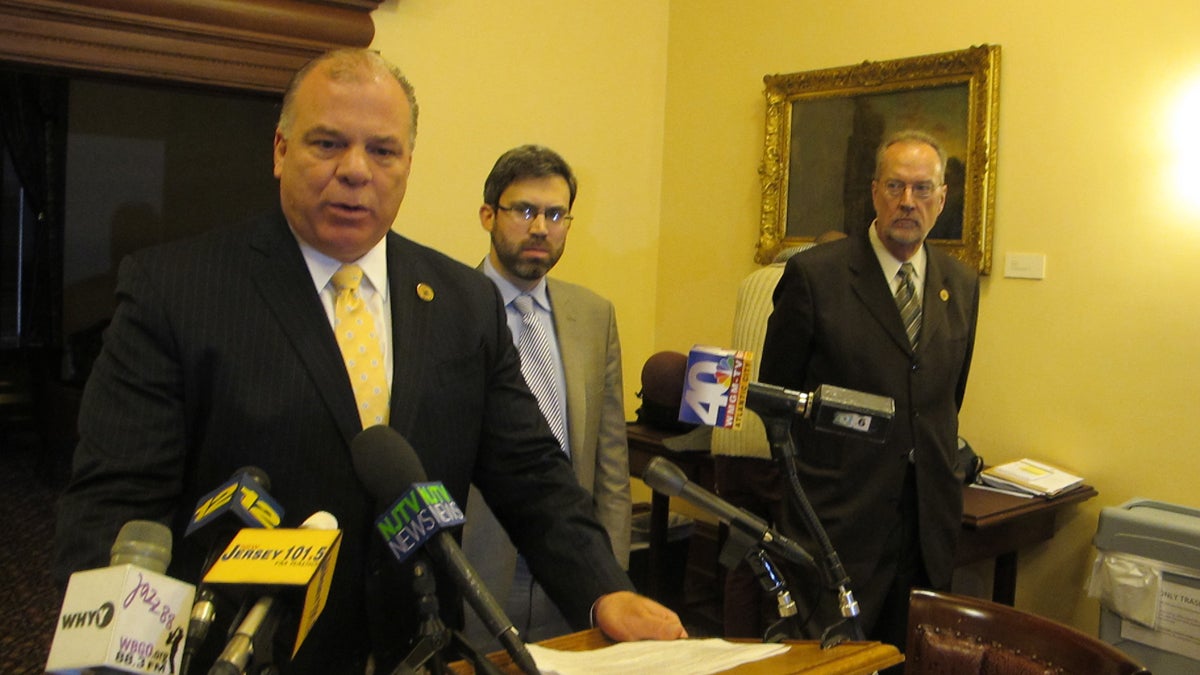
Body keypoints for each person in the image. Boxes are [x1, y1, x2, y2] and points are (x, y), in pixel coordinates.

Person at [52, 49, 683, 675]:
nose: (356, 171)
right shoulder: (176, 289)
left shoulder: (464, 303)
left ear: (409, 163)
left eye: (383, 151)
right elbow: (117, 505)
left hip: (421, 649)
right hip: (244, 656)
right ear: (279, 151)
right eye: (327, 144)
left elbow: (532, 474)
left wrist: (606, 588)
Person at [759, 130, 979, 654]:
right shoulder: (816, 275)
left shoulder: (961, 283)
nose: (909, 202)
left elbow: (946, 399)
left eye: (923, 189)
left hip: (926, 527)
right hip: (836, 523)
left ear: (942, 198)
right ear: (874, 191)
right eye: (896, 186)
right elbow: (775, 397)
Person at [460, 144, 632, 648]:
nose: (541, 227)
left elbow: (611, 460)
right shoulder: (448, 307)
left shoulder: (593, 314)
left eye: (555, 214)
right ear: (489, 215)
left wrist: (610, 570)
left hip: (575, 571)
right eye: (525, 211)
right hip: (480, 563)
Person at [710, 230, 844, 639]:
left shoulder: (752, 280)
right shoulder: (820, 285)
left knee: (743, 559)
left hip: (730, 439)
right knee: (789, 564)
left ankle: (737, 652)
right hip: (775, 447)